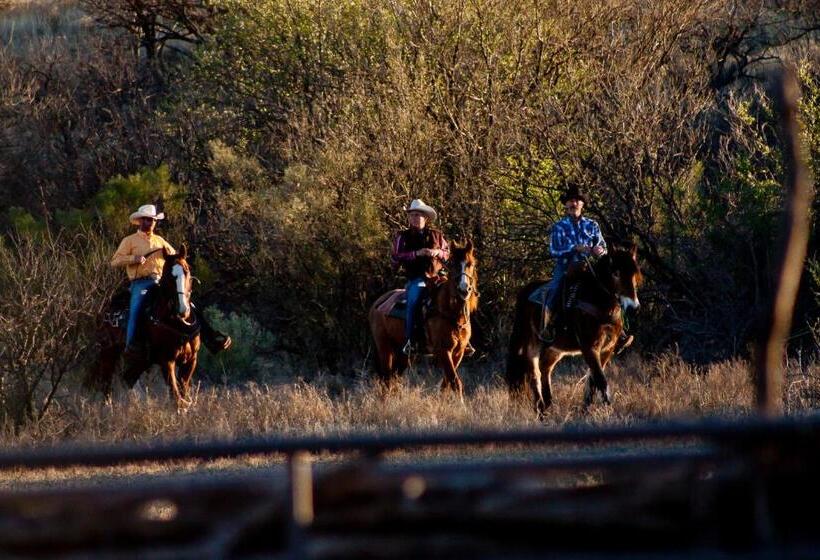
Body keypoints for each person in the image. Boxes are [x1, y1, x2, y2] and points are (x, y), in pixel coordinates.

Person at [111, 204, 231, 357]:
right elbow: (114, 261)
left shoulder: (160, 241)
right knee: (136, 308)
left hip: (160, 282)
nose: (149, 223)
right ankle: (131, 345)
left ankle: (211, 339)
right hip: (140, 283)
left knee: (189, 305)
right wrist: (133, 258)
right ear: (140, 221)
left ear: (155, 222)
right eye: (146, 220)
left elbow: (175, 255)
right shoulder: (130, 241)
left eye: (152, 220)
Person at [391, 199, 451, 356]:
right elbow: (396, 256)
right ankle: (410, 341)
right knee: (414, 301)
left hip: (437, 277)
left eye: (417, 215)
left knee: (458, 295)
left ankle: (465, 340)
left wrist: (437, 253)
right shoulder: (402, 237)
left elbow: (448, 253)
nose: (414, 218)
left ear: (425, 217)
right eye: (411, 215)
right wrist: (416, 254)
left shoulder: (437, 235)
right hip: (416, 279)